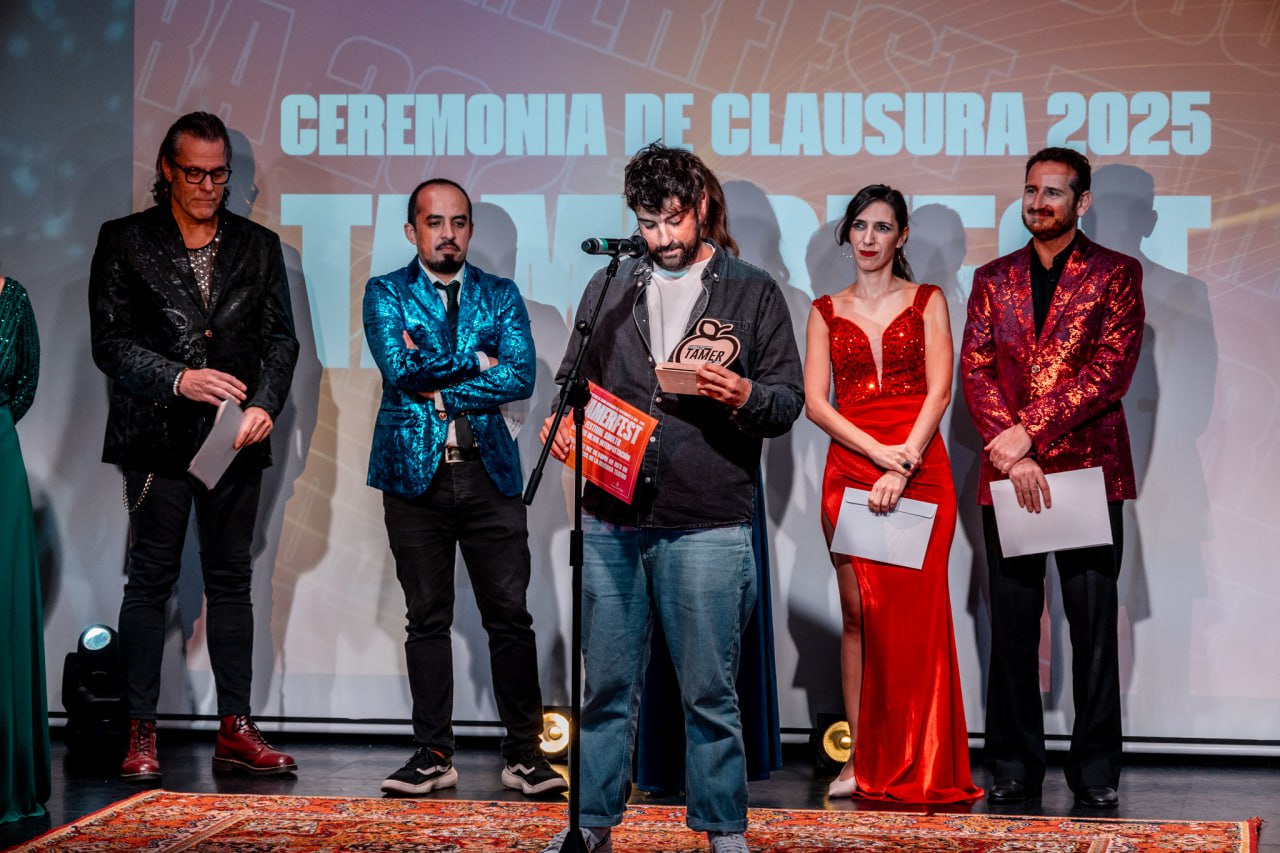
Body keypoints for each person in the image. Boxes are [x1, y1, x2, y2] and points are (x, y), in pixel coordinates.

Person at [539, 143, 804, 853]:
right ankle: (591, 824)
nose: (663, 237)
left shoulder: (752, 291)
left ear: (702, 206)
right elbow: (571, 383)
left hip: (706, 517)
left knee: (709, 692)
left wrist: (744, 393)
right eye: (649, 223)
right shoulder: (609, 285)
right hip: (612, 514)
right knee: (604, 688)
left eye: (675, 220)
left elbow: (787, 401)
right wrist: (563, 421)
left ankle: (723, 831)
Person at [89, 111, 300, 781]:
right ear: (167, 170)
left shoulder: (258, 246)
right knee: (150, 580)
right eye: (195, 173)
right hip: (155, 440)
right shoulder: (125, 240)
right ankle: (140, 729)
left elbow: (282, 341)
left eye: (219, 174)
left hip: (234, 439)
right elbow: (110, 344)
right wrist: (179, 378)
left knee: (231, 579)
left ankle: (236, 725)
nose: (209, 186)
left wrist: (265, 403)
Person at [363, 178, 566, 798]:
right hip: (413, 477)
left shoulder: (500, 294)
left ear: (470, 230)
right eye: (434, 222)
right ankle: (433, 754)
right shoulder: (385, 292)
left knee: (510, 617)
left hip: (489, 474)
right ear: (412, 231)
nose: (447, 234)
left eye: (458, 222)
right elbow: (399, 369)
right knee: (426, 618)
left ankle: (524, 755)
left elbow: (521, 375)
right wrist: (480, 362)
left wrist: (445, 388)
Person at [960, 147, 1144, 809]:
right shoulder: (992, 278)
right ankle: (1012, 765)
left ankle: (1095, 769)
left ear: (1082, 201)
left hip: (1089, 471)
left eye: (1054, 192)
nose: (1038, 203)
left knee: (1092, 628)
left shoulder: (1116, 274)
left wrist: (1029, 431)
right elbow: (976, 369)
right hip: (1012, 474)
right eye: (1031, 190)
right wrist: (1016, 453)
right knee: (1012, 625)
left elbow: (1110, 370)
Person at [804, 185, 982, 804]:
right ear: (847, 234)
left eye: (882, 227)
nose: (870, 238)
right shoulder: (824, 310)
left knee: (917, 621)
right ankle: (859, 757)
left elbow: (940, 392)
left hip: (920, 467)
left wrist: (900, 462)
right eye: (860, 226)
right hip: (852, 469)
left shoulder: (928, 300)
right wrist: (876, 455)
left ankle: (924, 756)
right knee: (859, 616)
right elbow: (816, 404)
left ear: (901, 236)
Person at [1, 276, 50, 822]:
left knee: (4, 601)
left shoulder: (12, 297)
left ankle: (9, 776)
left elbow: (24, 386)